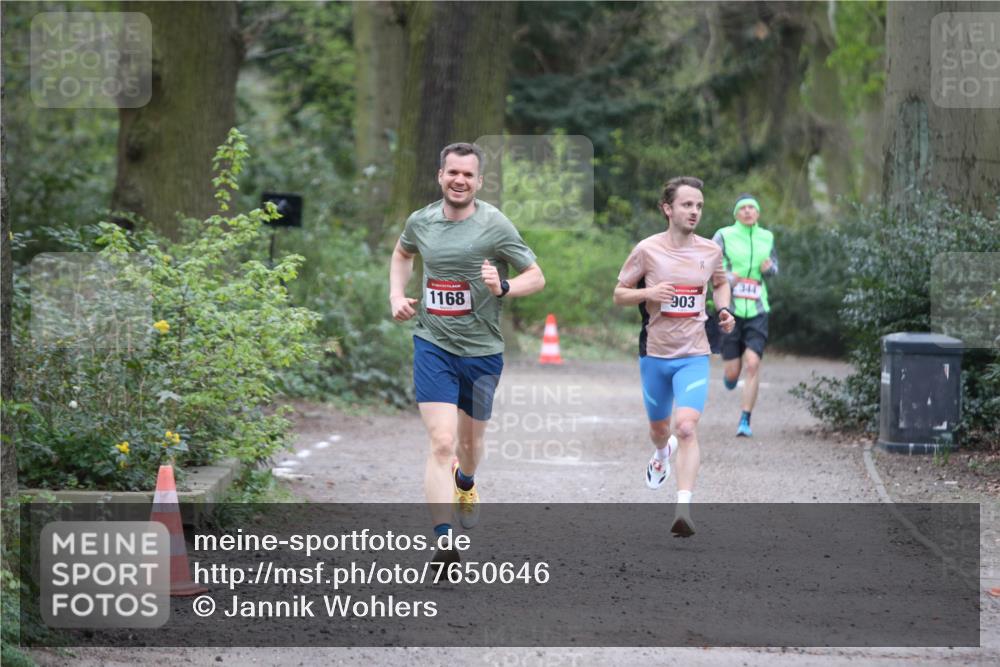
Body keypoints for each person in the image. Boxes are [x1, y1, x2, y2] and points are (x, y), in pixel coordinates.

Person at [389, 142, 545, 563]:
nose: (459, 180)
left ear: (479, 181)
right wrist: (396, 295)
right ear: (440, 175)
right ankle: (443, 541)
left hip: (482, 351)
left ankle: (467, 478)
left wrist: (504, 287)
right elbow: (402, 254)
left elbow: (536, 276)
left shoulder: (496, 225)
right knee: (441, 441)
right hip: (432, 343)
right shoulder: (421, 221)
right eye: (452, 172)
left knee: (470, 444)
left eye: (468, 175)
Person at [613, 177, 734, 537]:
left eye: (698, 205)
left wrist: (724, 310)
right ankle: (661, 454)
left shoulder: (710, 251)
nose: (694, 211)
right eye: (686, 205)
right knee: (660, 430)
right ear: (668, 209)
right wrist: (650, 291)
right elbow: (619, 294)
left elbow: (720, 283)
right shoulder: (647, 250)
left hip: (694, 353)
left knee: (686, 427)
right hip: (655, 354)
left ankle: (683, 508)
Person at [712, 193, 778, 438]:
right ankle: (730, 377)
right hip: (730, 308)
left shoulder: (767, 237)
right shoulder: (724, 235)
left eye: (753, 208)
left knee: (753, 364)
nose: (749, 211)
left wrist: (769, 269)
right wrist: (728, 278)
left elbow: (775, 267)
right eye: (744, 208)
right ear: (736, 214)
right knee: (732, 371)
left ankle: (745, 419)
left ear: (758, 213)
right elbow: (707, 265)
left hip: (758, 310)